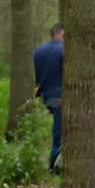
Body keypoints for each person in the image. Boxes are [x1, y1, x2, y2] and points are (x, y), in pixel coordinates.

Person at [33, 22, 64, 173]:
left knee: (59, 128)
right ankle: (54, 163)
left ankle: (56, 161)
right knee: (58, 131)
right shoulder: (63, 51)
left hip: (46, 95)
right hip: (60, 96)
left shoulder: (38, 51)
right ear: (62, 33)